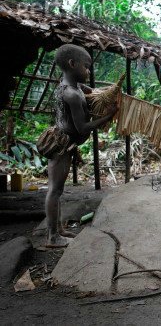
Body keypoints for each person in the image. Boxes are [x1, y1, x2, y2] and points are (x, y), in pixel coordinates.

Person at [45, 44, 117, 247]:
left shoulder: (73, 87)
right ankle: (52, 237)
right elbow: (83, 128)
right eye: (87, 66)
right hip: (61, 146)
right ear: (72, 64)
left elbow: (93, 91)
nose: (89, 71)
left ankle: (58, 229)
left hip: (63, 143)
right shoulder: (72, 95)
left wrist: (109, 94)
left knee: (56, 189)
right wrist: (107, 117)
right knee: (55, 190)